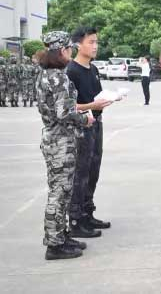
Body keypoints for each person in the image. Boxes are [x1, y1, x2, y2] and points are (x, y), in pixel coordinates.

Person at [36, 31, 94, 260]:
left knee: (62, 191)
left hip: (53, 138)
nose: (71, 52)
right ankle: (54, 244)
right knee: (59, 193)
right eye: (69, 49)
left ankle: (62, 235)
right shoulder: (58, 78)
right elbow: (64, 113)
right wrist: (85, 119)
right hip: (61, 141)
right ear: (62, 51)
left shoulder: (45, 75)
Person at [66, 27, 113, 236]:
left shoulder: (92, 69)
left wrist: (109, 98)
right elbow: (68, 106)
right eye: (91, 42)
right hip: (81, 127)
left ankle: (87, 213)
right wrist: (92, 105)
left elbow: (97, 96)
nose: (95, 46)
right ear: (78, 45)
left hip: (96, 124)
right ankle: (76, 220)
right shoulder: (71, 71)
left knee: (93, 170)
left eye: (96, 42)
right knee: (81, 173)